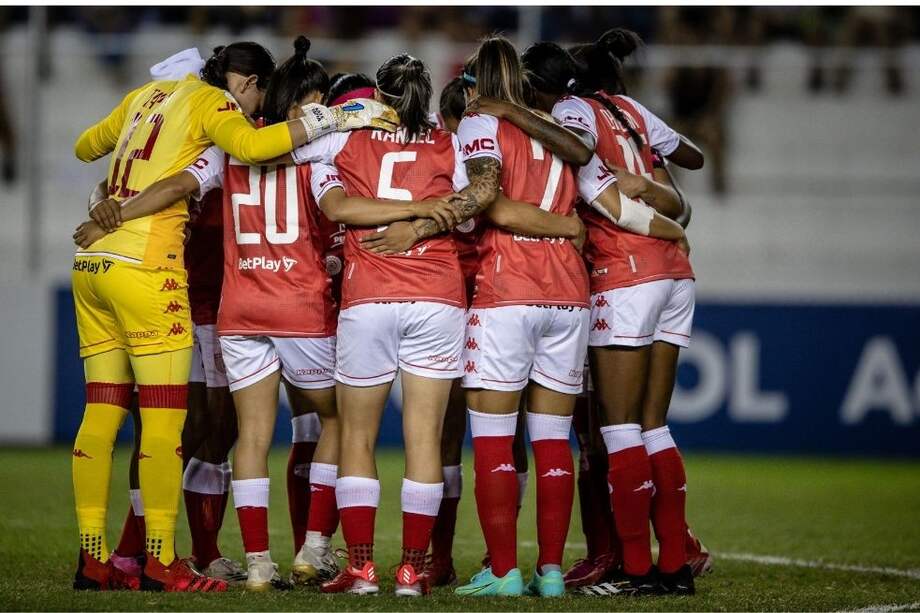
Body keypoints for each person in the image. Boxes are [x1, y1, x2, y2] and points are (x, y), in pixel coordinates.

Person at [70, 40, 398, 592]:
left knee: (154, 422)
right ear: (249, 84)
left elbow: (92, 149)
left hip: (171, 286)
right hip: (207, 285)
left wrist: (111, 201)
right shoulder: (242, 122)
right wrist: (343, 116)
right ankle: (172, 556)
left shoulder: (152, 102)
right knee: (189, 422)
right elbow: (259, 151)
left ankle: (106, 557)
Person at [524, 29, 703, 594]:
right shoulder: (630, 109)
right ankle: (674, 565)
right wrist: (659, 198)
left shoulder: (574, 111)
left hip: (623, 273)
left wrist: (512, 116)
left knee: (618, 427)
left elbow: (577, 154)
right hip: (673, 271)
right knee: (654, 424)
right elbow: (690, 160)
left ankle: (635, 566)